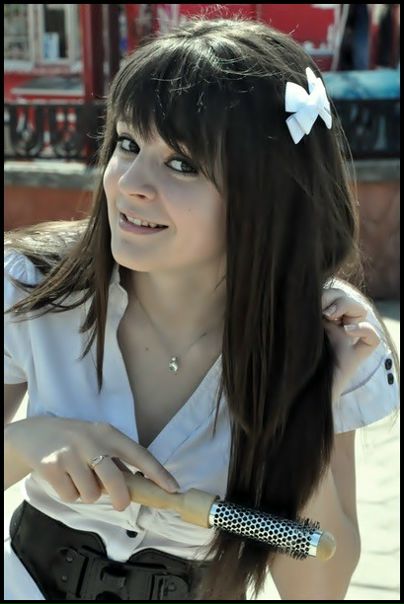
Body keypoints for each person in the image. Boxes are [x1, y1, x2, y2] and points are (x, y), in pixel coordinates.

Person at [4, 16, 399, 601]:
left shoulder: (331, 334)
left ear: (265, 195)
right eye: (128, 144)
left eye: (182, 164)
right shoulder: (35, 283)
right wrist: (27, 441)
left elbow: (316, 589)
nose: (130, 183)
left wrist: (304, 402)